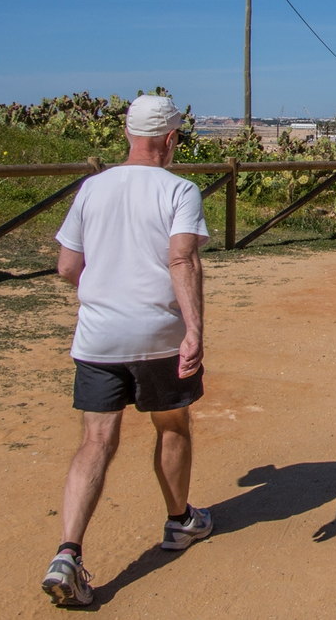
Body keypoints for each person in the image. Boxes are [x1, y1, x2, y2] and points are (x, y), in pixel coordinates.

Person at [41, 94, 213, 607]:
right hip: (157, 335)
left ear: (127, 133)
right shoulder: (180, 189)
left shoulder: (92, 188)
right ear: (171, 138)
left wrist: (100, 298)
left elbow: (67, 267)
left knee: (95, 442)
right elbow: (181, 259)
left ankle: (67, 553)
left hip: (97, 336)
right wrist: (195, 330)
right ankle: (180, 520)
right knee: (172, 425)